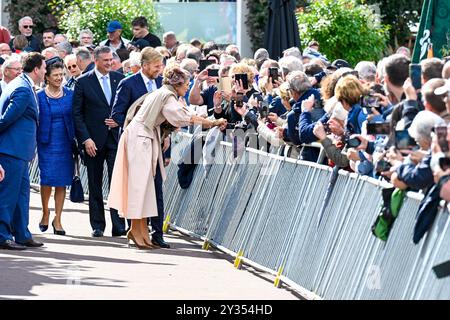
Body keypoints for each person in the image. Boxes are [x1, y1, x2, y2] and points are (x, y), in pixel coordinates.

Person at [108, 65, 226, 249]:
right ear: (177, 83)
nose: (187, 88)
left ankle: (138, 230)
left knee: (144, 187)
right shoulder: (167, 96)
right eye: (186, 84)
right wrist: (211, 122)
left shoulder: (164, 93)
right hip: (141, 139)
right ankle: (136, 230)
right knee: (139, 186)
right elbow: (182, 116)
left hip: (144, 137)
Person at [72, 46, 126, 237]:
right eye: (106, 60)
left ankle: (119, 224)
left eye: (111, 60)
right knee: (95, 184)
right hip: (93, 141)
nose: (110, 63)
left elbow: (127, 108)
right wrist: (85, 139)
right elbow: (77, 114)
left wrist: (119, 121)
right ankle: (97, 225)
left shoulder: (120, 79)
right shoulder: (83, 82)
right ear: (96, 60)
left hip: (114, 139)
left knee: (116, 183)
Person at [0, 52, 46, 250]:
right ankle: (2, 235)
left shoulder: (23, 84)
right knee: (8, 196)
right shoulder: (22, 88)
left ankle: (22, 233)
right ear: (36, 69)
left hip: (19, 151)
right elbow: (5, 119)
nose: (45, 71)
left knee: (21, 196)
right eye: (44, 68)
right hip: (11, 150)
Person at [36, 57, 75, 235]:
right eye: (56, 75)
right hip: (46, 143)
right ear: (47, 77)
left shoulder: (70, 94)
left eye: (62, 74)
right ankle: (45, 212)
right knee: (47, 180)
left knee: (62, 182)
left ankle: (58, 219)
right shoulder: (38, 96)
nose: (59, 78)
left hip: (66, 142)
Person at [111, 47, 163, 128]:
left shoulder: (162, 82)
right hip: (134, 136)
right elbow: (117, 114)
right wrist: (135, 127)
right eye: (156, 66)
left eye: (161, 66)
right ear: (145, 65)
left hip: (158, 136)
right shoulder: (127, 83)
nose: (159, 70)